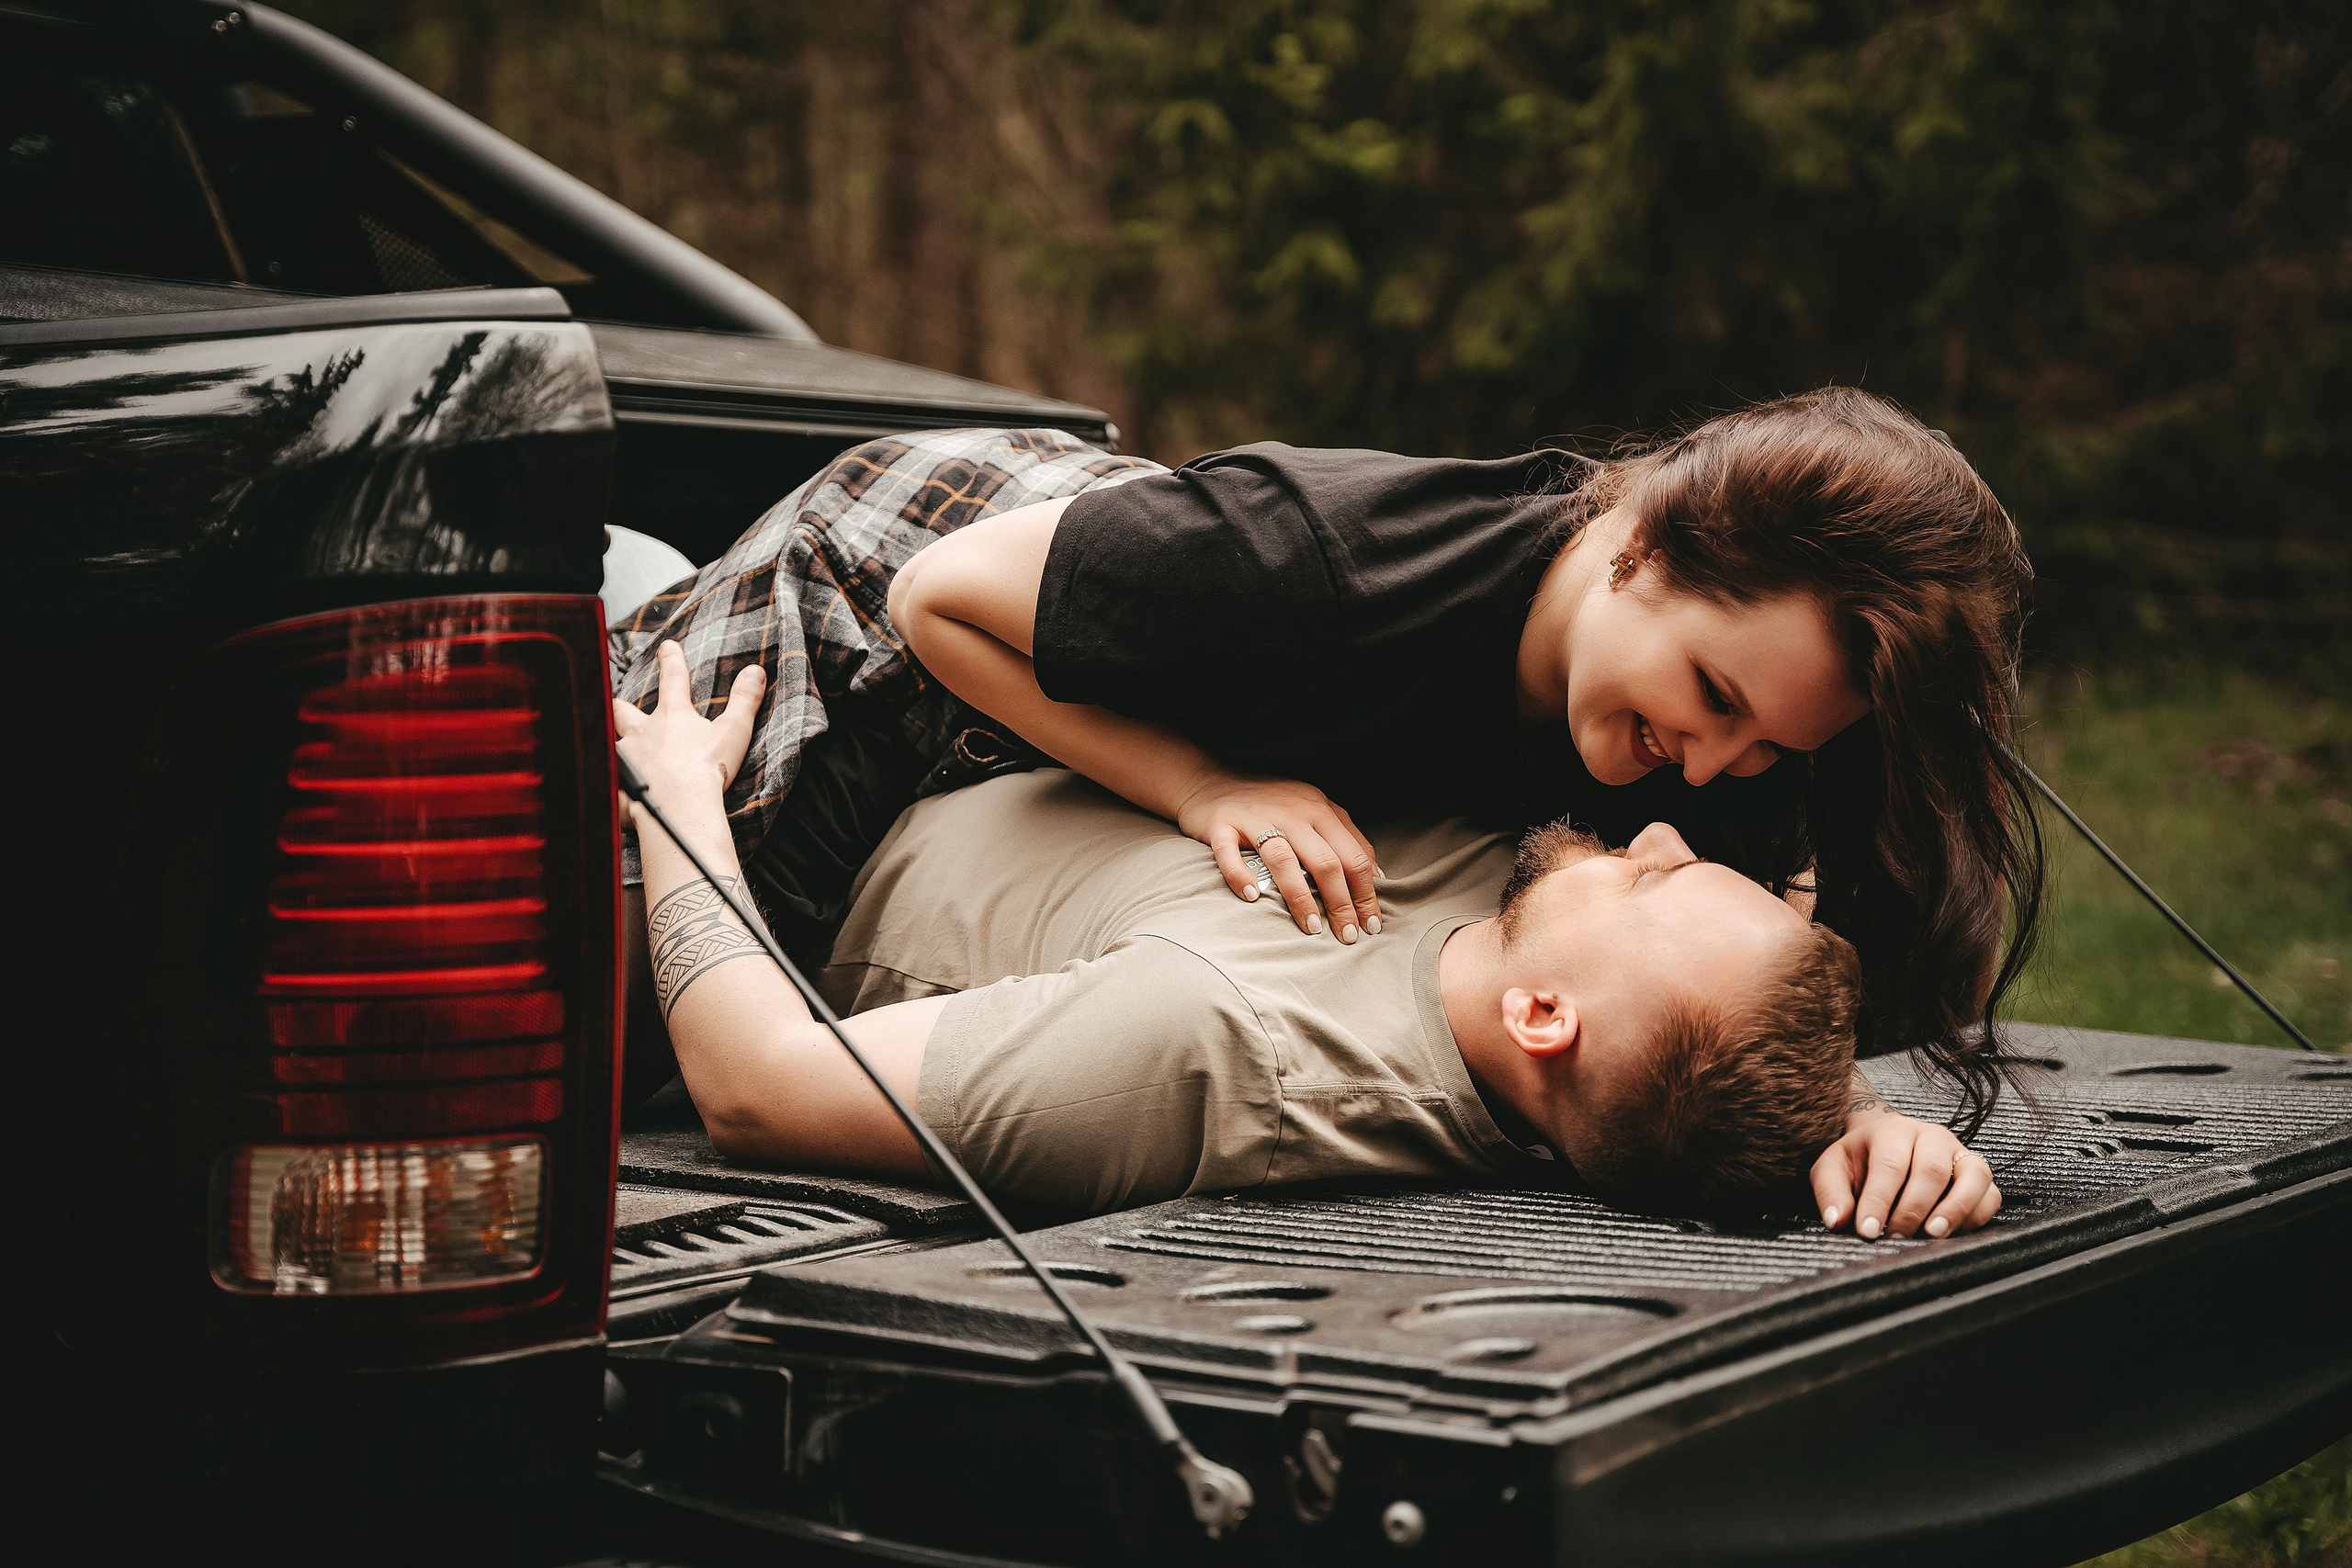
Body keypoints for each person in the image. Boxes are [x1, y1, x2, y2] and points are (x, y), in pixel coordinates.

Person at [885, 388, 2046, 1147]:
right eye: (1712, 698)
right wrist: (1202, 787)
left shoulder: (1726, 753)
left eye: (1770, 749)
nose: (1707, 776)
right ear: (1639, 543)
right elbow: (936, 598)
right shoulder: (1315, 567)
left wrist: (1850, 1112)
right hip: (917, 589)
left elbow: (1727, 993)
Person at [616, 641, 2006, 1235]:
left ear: (1547, 1022)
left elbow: (754, 1077)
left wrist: (681, 803)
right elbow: (1695, 1046)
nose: (1653, 839)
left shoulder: (1204, 1046)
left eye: (1655, 889)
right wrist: (1845, 1111)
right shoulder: (1520, 931)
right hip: (979, 722)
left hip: (806, 816)